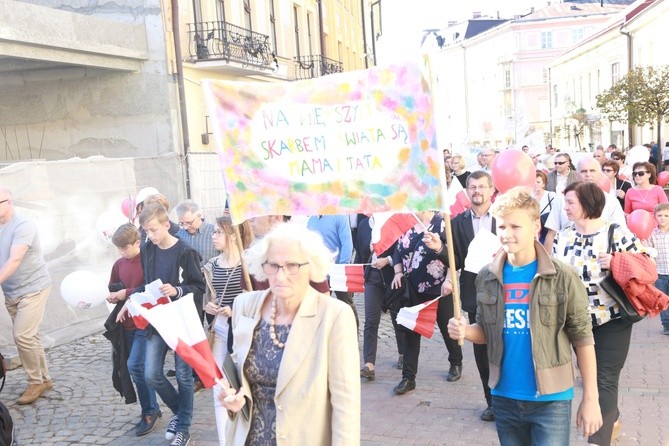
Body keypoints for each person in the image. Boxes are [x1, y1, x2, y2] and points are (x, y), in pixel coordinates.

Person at [448, 187, 602, 446]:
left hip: (550, 399)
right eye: (501, 227)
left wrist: (591, 399)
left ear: (535, 225)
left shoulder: (563, 277)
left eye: (515, 227)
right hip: (504, 395)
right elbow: (485, 331)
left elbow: (583, 339)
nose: (507, 235)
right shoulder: (487, 276)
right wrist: (465, 331)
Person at [218, 223, 360, 445]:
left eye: (292, 265)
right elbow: (239, 378)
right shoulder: (244, 306)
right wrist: (233, 399)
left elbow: (345, 405)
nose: (280, 276)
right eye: (273, 265)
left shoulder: (335, 316)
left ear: (311, 266)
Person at [552, 181, 653, 445]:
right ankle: (611, 414)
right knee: (588, 377)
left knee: (604, 378)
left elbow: (647, 266)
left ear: (588, 203)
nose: (566, 207)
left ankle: (598, 439)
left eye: (571, 202)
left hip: (613, 319)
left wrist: (618, 261)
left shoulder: (615, 233)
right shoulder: (563, 236)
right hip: (575, 322)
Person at [126, 203, 206, 446]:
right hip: (158, 319)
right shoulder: (149, 249)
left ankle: (183, 427)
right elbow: (149, 283)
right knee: (151, 373)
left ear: (166, 225)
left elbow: (198, 287)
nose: (149, 236)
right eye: (146, 231)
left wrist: (178, 289)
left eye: (153, 230)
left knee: (183, 375)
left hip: (182, 320)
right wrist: (129, 301)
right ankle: (181, 415)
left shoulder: (185, 252)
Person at [425, 170, 497, 420]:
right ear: (467, 191)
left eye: (481, 187)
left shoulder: (504, 218)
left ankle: (511, 399)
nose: (477, 191)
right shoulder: (456, 223)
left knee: (508, 345)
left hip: (506, 292)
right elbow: (454, 259)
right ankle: (491, 402)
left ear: (491, 190)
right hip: (475, 294)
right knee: (481, 347)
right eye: (472, 187)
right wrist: (439, 248)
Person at [390, 210, 462, 395]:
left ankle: (456, 361)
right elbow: (397, 252)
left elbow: (454, 256)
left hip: (438, 287)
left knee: (447, 328)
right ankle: (408, 377)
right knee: (411, 331)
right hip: (412, 288)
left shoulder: (443, 223)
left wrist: (449, 279)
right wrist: (398, 272)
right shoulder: (405, 224)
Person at [203, 216, 253, 446]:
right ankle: (225, 442)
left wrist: (235, 311)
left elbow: (254, 300)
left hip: (242, 330)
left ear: (232, 235)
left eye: (218, 232)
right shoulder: (212, 265)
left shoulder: (247, 263)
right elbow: (208, 297)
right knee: (219, 385)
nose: (213, 236)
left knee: (242, 384)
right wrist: (209, 307)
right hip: (220, 329)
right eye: (213, 232)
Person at [107, 223, 161, 436]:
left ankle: (149, 411)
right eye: (118, 248)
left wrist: (127, 293)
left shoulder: (148, 261)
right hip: (126, 324)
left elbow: (151, 287)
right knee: (134, 368)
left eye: (125, 247)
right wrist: (114, 295)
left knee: (135, 366)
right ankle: (152, 407)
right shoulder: (118, 264)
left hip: (145, 323)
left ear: (137, 242)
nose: (121, 252)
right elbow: (114, 286)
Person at [0, 188, 53, 405]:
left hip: (33, 288)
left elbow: (15, 259)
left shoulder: (24, 225)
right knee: (31, 336)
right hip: (11, 291)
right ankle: (45, 379)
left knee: (22, 335)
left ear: (9, 201)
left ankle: (35, 382)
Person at [356, 214, 406, 380]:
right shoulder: (363, 225)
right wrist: (358, 277)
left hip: (392, 277)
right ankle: (369, 364)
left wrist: (388, 260)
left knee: (397, 318)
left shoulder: (393, 220)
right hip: (372, 279)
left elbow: (403, 249)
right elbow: (360, 254)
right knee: (371, 321)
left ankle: (403, 353)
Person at [543, 157, 627, 252]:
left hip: (601, 258)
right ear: (577, 175)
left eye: (592, 171)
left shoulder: (611, 201)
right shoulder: (562, 199)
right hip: (566, 258)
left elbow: (621, 232)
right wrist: (549, 263)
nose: (588, 175)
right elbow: (552, 233)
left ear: (599, 175)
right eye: (583, 171)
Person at [307, 214, 358, 326]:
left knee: (346, 305)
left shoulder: (340, 217)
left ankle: (353, 335)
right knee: (319, 307)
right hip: (319, 273)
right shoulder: (311, 220)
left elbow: (347, 244)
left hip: (338, 271)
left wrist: (342, 267)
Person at [175, 199, 217, 266]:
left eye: (189, 222)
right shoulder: (179, 236)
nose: (185, 227)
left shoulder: (215, 233)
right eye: (181, 223)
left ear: (199, 216)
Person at [649, 203, 669, 335]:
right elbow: (649, 252)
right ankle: (667, 325)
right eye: (660, 215)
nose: (663, 218)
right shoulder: (652, 234)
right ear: (655, 217)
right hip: (660, 272)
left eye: (666, 215)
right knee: (663, 300)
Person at [534, 170, 555, 244]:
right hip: (532, 233)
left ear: (543, 184)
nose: (535, 184)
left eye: (538, 182)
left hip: (546, 233)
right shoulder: (528, 197)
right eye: (533, 181)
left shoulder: (551, 196)